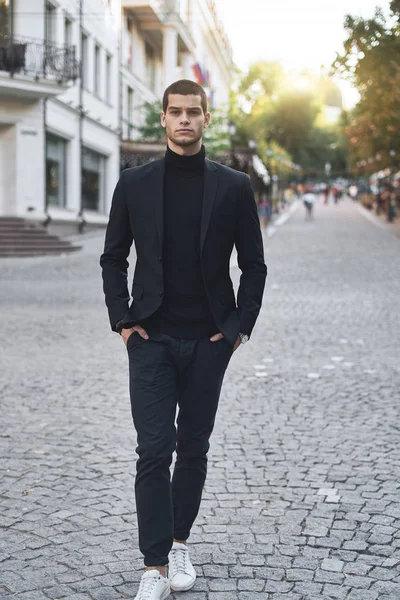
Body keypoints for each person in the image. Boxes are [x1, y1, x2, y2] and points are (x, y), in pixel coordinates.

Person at [100, 79, 267, 600]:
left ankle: (178, 544)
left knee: (193, 447)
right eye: (176, 112)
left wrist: (238, 327)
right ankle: (153, 567)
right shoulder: (134, 183)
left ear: (206, 118)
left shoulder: (234, 186)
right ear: (164, 118)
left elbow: (254, 265)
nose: (185, 121)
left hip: (209, 342)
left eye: (194, 112)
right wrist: (122, 321)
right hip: (149, 337)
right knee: (154, 447)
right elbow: (113, 257)